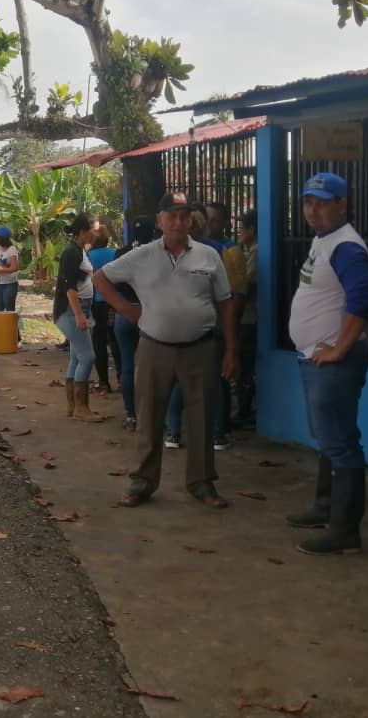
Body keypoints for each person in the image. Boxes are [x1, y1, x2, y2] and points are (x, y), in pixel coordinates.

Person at [94, 191, 238, 509]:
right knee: (149, 415)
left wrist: (230, 349)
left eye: (184, 215)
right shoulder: (142, 255)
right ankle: (142, 482)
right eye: (171, 215)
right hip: (154, 347)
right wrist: (127, 310)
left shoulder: (208, 255)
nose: (178, 221)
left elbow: (226, 303)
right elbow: (100, 278)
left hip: (200, 347)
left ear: (192, 220)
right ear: (160, 220)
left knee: (202, 415)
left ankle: (201, 483)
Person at [285, 173, 368, 555]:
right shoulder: (325, 241)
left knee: (340, 443)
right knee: (329, 439)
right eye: (308, 202)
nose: (313, 210)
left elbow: (361, 301)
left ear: (343, 205)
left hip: (335, 363)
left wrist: (338, 349)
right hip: (315, 359)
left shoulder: (347, 247)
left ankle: (345, 531)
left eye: (322, 202)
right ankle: (326, 507)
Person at [163, 202, 247, 451]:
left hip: (188, 326)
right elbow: (232, 297)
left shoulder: (178, 254)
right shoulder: (218, 252)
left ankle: (175, 432)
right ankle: (217, 433)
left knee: (182, 380)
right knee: (215, 382)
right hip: (210, 325)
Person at [53, 212, 103, 423]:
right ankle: (81, 407)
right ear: (83, 231)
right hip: (71, 310)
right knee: (88, 356)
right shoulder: (71, 253)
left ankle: (74, 407)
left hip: (80, 308)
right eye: (94, 229)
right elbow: (69, 288)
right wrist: (79, 315)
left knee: (76, 357)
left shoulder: (80, 251)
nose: (97, 233)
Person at [112, 217, 156, 430]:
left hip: (125, 314)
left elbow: (107, 280)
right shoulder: (157, 254)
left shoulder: (122, 253)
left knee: (128, 366)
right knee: (154, 366)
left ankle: (131, 415)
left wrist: (120, 306)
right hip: (150, 313)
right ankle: (154, 415)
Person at [87, 225, 120, 395]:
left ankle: (104, 382)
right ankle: (122, 379)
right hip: (114, 302)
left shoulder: (88, 256)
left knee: (98, 342)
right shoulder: (115, 253)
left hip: (96, 301)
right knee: (115, 339)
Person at [235, 208, 258, 426]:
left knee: (245, 364)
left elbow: (246, 283)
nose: (240, 232)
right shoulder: (247, 250)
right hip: (246, 316)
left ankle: (245, 410)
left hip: (249, 316)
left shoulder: (256, 252)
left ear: (251, 229)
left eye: (242, 228)